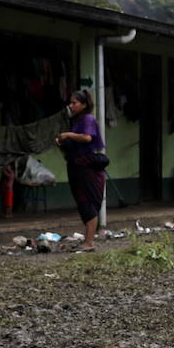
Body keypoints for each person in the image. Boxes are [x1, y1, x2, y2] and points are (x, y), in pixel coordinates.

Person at [54, 89, 107, 251]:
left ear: (83, 105)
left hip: (86, 168)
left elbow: (87, 138)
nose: (71, 105)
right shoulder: (77, 122)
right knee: (82, 202)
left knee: (88, 203)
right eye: (70, 102)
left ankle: (89, 242)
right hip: (76, 167)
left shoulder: (88, 119)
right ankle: (87, 240)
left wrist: (69, 135)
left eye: (74, 102)